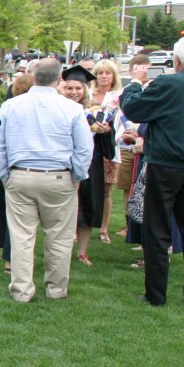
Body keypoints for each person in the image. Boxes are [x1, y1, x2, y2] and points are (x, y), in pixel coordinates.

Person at [0, 59, 91, 302]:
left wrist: (4, 173)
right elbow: (85, 149)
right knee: (59, 236)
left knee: (22, 236)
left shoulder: (11, 106)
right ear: (59, 80)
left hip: (21, 174)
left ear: (33, 76)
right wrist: (77, 175)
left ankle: (22, 290)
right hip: (58, 177)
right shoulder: (72, 109)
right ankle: (56, 289)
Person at [119, 36, 184, 306]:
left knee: (157, 226)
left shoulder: (169, 83)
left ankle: (156, 294)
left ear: (178, 60)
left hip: (167, 163)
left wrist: (135, 84)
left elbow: (134, 108)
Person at [0, 74, 32, 271]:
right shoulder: (25, 111)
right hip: (9, 168)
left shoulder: (6, 107)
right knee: (17, 215)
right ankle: (10, 261)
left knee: (1, 209)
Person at [61, 66, 110, 266]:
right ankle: (61, 252)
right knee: (63, 210)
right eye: (70, 88)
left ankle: (82, 253)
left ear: (85, 89)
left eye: (78, 88)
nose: (74, 92)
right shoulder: (58, 108)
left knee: (88, 207)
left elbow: (107, 147)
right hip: (63, 163)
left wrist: (106, 132)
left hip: (90, 165)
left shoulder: (97, 111)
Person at [114, 55, 150, 236]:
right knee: (129, 186)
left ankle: (142, 231)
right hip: (128, 147)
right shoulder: (128, 90)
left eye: (146, 69)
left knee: (145, 190)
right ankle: (130, 224)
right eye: (139, 69)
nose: (143, 73)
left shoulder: (156, 89)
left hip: (147, 147)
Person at [90, 59, 123, 243]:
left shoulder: (119, 96)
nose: (103, 76)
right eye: (100, 73)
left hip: (109, 148)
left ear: (113, 76)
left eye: (107, 73)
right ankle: (80, 226)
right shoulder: (87, 94)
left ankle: (103, 229)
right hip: (89, 147)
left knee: (106, 190)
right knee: (83, 189)